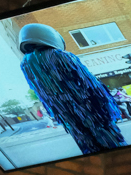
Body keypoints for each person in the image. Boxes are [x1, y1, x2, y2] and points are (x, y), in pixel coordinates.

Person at [16, 23, 124, 156]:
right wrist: (106, 106)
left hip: (66, 114)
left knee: (87, 143)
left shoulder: (26, 64)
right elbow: (89, 84)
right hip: (89, 108)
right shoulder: (60, 55)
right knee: (109, 139)